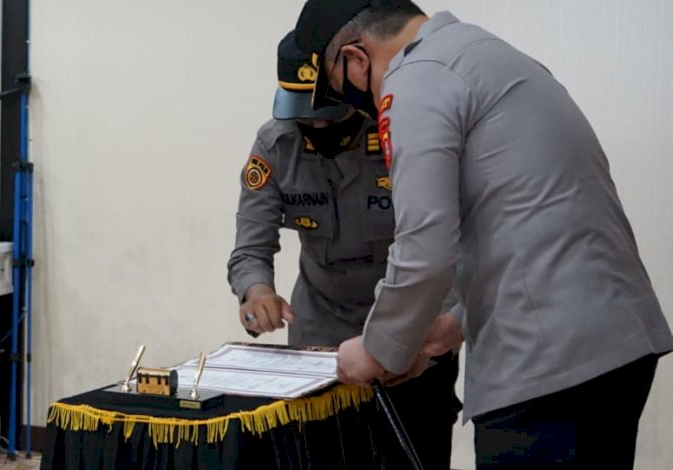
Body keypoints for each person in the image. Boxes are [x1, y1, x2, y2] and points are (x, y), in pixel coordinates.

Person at [293, 0, 673, 467]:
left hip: (543, 371)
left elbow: (424, 244)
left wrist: (375, 351)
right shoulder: (490, 55)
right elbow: (526, 227)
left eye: (346, 88)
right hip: (616, 348)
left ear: (355, 57)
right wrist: (438, 334)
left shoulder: (415, 78)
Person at [227, 30, 459, 469]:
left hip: (409, 322)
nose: (315, 129)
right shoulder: (276, 146)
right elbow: (250, 244)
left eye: (327, 118)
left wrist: (431, 333)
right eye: (305, 120)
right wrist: (257, 291)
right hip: (321, 332)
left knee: (414, 453)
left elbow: (450, 243)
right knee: (322, 457)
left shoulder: (402, 136)